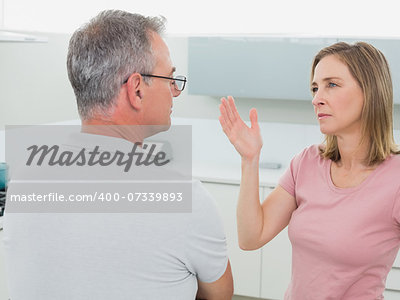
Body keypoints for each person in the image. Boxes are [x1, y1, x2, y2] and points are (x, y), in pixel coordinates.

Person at [3, 10, 233, 300]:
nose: (175, 91)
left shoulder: (23, 185)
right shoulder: (185, 199)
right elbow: (219, 295)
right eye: (169, 79)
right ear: (136, 90)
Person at [219, 42, 400, 299]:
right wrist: (250, 160)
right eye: (315, 88)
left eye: (332, 84)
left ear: (370, 92)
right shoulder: (305, 163)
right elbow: (251, 238)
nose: (317, 99)